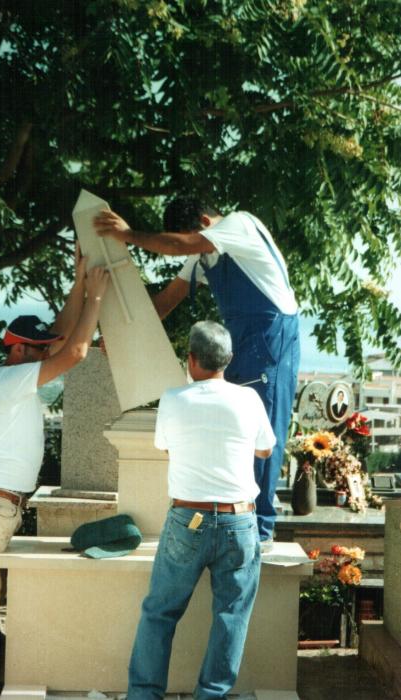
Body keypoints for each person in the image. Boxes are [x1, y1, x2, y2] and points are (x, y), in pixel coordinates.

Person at [0, 250, 109, 700]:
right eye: (36, 348)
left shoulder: (15, 374)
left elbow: (60, 337)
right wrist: (95, 297)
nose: (44, 354)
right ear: (17, 348)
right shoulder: (10, 379)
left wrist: (77, 285)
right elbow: (73, 350)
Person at [94, 197, 300, 545]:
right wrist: (117, 335)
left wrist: (129, 234)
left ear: (206, 222)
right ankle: (230, 519)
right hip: (242, 340)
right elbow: (164, 302)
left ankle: (260, 530)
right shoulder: (202, 255)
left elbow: (181, 245)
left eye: (189, 238)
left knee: (261, 429)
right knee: (229, 428)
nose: (189, 248)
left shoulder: (239, 224)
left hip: (271, 339)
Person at [127, 321, 275, 699]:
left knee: (159, 613)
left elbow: (165, 446)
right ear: (228, 360)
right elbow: (265, 450)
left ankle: (143, 695)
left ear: (191, 360)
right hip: (239, 519)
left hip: (187, 518)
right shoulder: (249, 400)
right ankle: (211, 695)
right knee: (231, 617)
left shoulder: (174, 399)